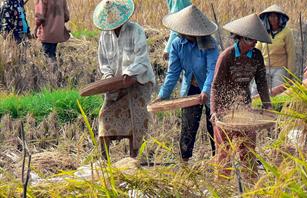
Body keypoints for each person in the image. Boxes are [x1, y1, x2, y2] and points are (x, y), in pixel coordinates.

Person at [210, 13, 272, 180]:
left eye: (256, 41)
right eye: (252, 40)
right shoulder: (227, 56)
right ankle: (222, 188)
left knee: (248, 152)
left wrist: (267, 105)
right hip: (225, 110)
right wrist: (214, 111)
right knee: (225, 154)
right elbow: (215, 86)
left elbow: (261, 82)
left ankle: (252, 188)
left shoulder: (257, 56)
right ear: (242, 38)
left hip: (244, 107)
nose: (255, 44)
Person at [155, 5, 219, 162]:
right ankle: (184, 161)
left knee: (214, 125)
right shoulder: (177, 44)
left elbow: (212, 70)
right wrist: (163, 95)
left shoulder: (209, 43)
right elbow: (173, 73)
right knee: (188, 126)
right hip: (190, 87)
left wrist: (205, 91)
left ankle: (218, 160)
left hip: (211, 88)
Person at [93, 0, 155, 159]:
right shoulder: (105, 36)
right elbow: (104, 63)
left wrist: (128, 73)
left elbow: (141, 59)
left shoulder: (136, 31)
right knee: (105, 117)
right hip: (115, 85)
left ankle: (134, 161)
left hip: (138, 82)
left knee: (136, 122)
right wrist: (108, 78)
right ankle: (104, 163)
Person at [252, 4, 295, 95]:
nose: (273, 19)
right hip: (264, 67)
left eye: (275, 16)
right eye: (271, 16)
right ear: (267, 18)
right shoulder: (264, 32)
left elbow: (291, 53)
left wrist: (290, 72)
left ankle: (275, 108)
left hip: (279, 68)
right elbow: (257, 48)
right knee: (255, 92)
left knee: (277, 93)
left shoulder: (287, 32)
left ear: (280, 18)